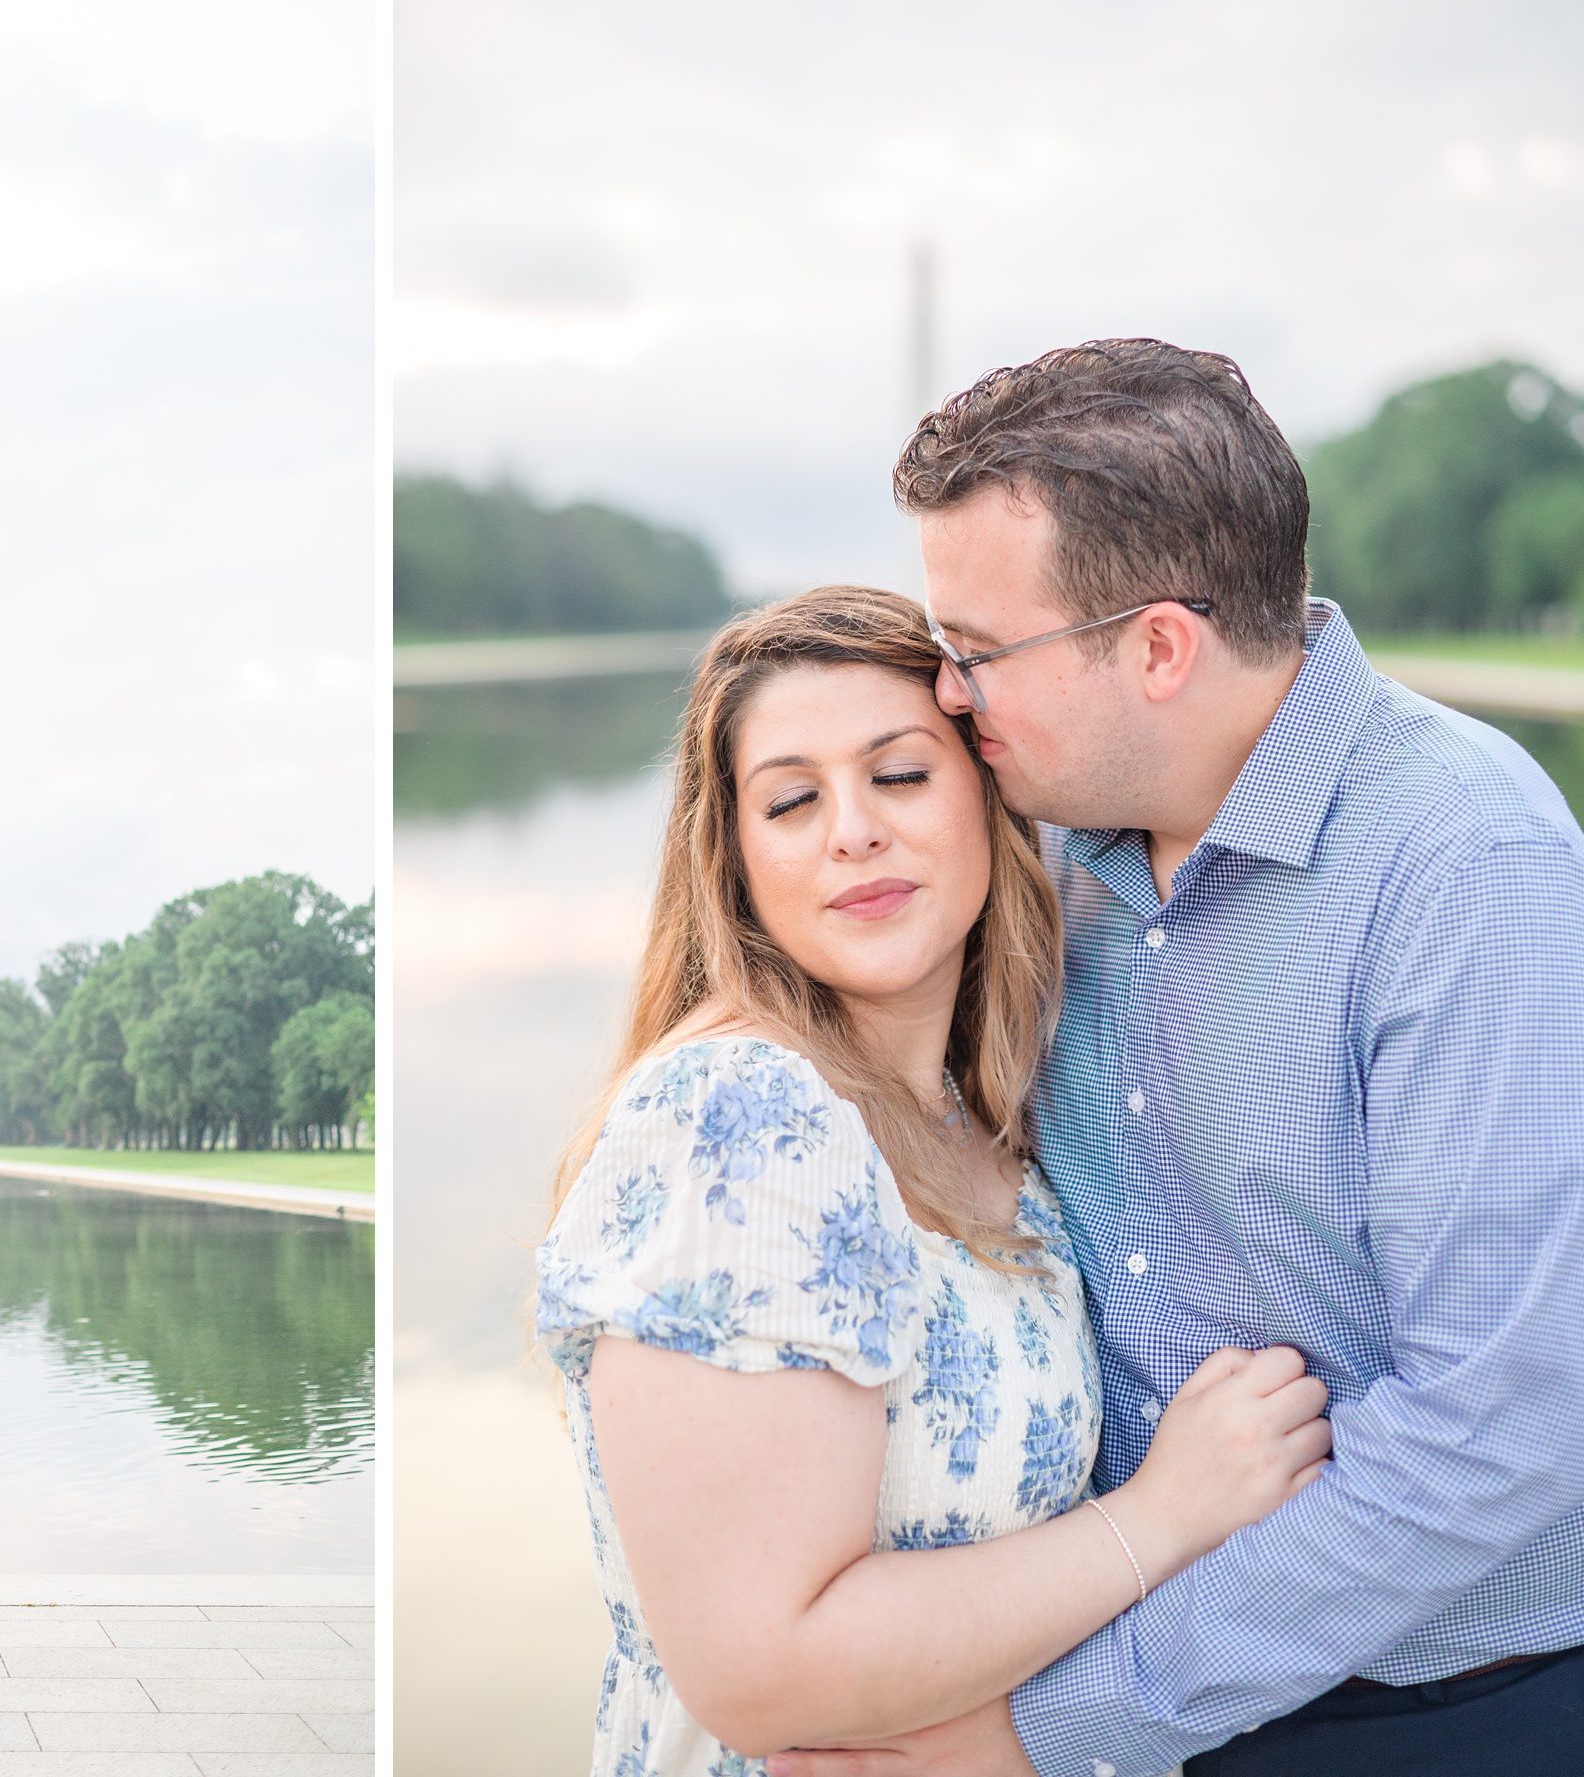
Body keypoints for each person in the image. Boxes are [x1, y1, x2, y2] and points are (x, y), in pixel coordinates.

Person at [771, 341, 1584, 1777]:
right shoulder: (1026, 840)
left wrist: (1050, 1732)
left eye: (975, 650)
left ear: (1156, 646)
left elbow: (1494, 1427)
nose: (949, 696)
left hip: (1420, 1719)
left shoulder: (1471, 863)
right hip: (1079, 1657)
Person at [534, 585, 1333, 1777]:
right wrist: (1164, 1514)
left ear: (988, 794)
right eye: (793, 800)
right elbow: (764, 1671)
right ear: (738, 859)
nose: (851, 830)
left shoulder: (970, 1110)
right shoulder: (742, 1116)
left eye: (899, 775)